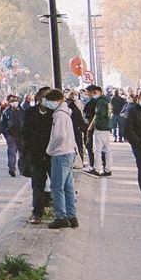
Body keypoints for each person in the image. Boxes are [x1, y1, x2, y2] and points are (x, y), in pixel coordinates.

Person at [40, 89, 79, 230]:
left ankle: (61, 217)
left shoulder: (59, 115)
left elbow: (59, 136)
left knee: (57, 187)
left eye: (49, 100)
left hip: (60, 153)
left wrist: (49, 150)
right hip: (69, 152)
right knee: (68, 187)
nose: (48, 103)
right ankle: (72, 216)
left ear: (58, 100)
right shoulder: (65, 113)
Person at [21, 88, 54, 223]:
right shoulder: (30, 112)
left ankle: (60, 211)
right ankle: (37, 213)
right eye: (45, 97)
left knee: (57, 184)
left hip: (52, 153)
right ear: (39, 98)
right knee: (37, 185)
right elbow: (25, 133)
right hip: (36, 154)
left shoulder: (54, 113)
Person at [84, 85, 112, 177]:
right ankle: (108, 169)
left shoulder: (100, 102)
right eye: (92, 93)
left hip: (100, 128)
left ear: (100, 92)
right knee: (107, 150)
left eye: (95, 93)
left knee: (97, 150)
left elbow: (98, 115)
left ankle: (97, 169)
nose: (93, 95)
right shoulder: (107, 100)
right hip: (107, 127)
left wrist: (91, 127)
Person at [0, 95, 23, 177]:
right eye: (12, 101)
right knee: (12, 152)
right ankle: (11, 168)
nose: (14, 102)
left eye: (16, 101)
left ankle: (21, 168)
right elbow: (2, 124)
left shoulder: (22, 111)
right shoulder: (6, 112)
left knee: (22, 153)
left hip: (21, 135)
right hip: (11, 135)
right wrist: (4, 133)